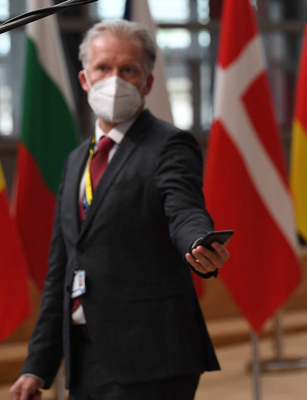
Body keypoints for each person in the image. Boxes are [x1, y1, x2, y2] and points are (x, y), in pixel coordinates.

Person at [9, 20, 228, 400]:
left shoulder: (169, 145)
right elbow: (61, 269)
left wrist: (198, 242)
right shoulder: (77, 160)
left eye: (129, 70)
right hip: (85, 357)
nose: (115, 80)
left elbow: (184, 209)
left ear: (148, 83)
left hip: (152, 357)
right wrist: (37, 366)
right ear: (84, 79)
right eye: (104, 68)